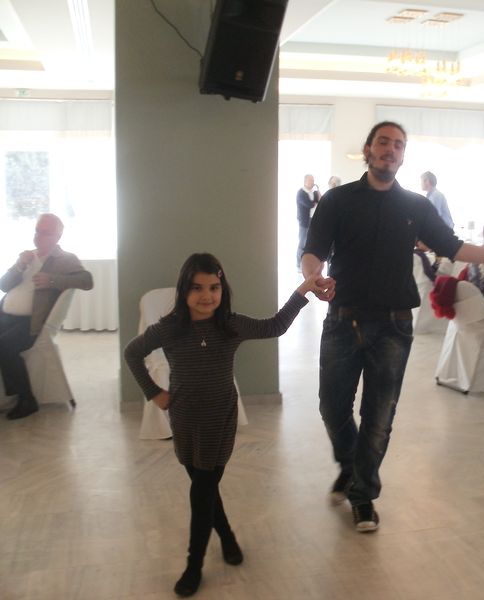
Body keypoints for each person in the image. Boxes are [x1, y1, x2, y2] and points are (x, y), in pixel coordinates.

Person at [301, 121, 484, 532]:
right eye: (384, 142)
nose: (391, 150)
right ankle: (351, 465)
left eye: (399, 145)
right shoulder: (337, 200)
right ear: (368, 149)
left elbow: (456, 247)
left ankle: (363, 495)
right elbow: (312, 250)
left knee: (379, 415)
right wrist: (313, 275)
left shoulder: (415, 206)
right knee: (332, 408)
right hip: (343, 319)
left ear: (403, 155)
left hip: (394, 324)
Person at [125, 253, 330, 597]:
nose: (207, 296)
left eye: (214, 287)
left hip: (219, 419)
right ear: (184, 290)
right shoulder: (170, 328)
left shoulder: (230, 325)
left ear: (223, 289)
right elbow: (132, 353)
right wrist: (154, 393)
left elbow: (275, 326)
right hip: (184, 419)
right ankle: (228, 537)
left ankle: (193, 565)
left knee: (202, 489)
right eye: (197, 288)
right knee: (204, 486)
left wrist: (304, 290)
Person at [0, 214, 93, 419]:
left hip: (30, 322)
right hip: (4, 314)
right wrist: (19, 266)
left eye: (45, 233)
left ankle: (26, 399)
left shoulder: (65, 259)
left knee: (4, 345)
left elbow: (87, 281)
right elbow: (3, 285)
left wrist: (52, 280)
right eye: (37, 231)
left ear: (57, 237)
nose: (38, 236)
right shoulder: (27, 256)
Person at [296, 174, 320, 269]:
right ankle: (299, 264)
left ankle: (309, 265)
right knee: (302, 242)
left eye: (313, 180)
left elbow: (320, 201)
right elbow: (309, 204)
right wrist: (314, 203)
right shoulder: (301, 193)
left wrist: (318, 190)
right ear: (305, 181)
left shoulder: (314, 192)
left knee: (311, 242)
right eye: (310, 180)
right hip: (304, 221)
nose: (312, 182)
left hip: (313, 220)